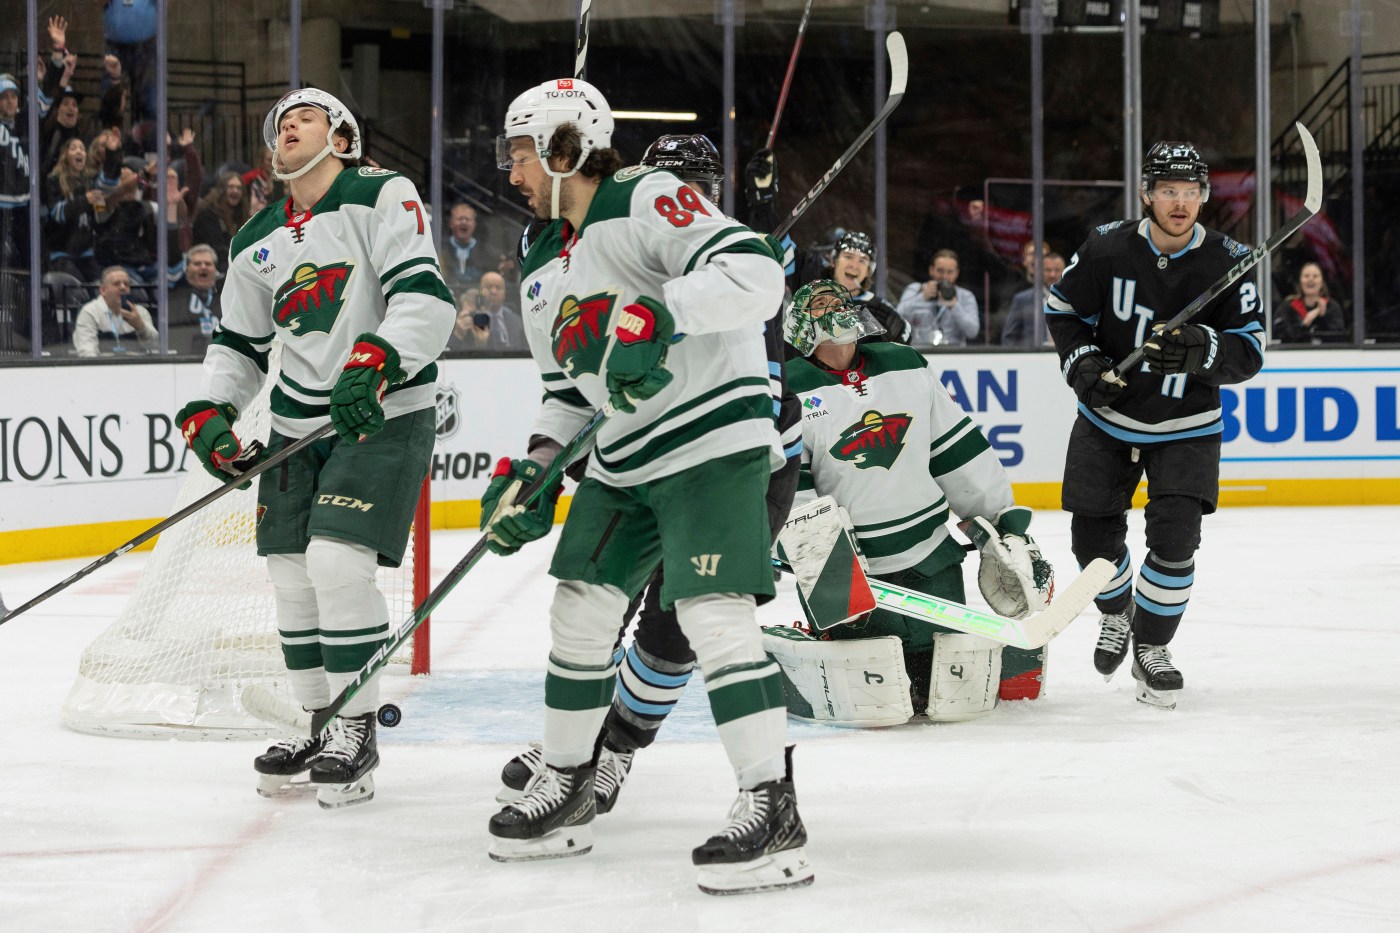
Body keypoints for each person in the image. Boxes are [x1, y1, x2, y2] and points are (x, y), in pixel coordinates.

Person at [485, 77, 811, 894]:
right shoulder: (540, 261)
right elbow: (566, 393)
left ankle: (770, 803)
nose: (511, 173)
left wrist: (659, 313)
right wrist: (536, 466)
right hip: (622, 456)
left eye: (521, 153)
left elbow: (754, 271)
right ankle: (568, 781)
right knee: (580, 608)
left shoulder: (643, 196)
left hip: (710, 439)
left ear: (565, 148)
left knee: (712, 614)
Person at [175, 87, 453, 808]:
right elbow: (239, 343)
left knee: (336, 561)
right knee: (291, 573)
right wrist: (211, 409)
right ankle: (319, 721)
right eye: (280, 122)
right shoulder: (255, 237)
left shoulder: (382, 194)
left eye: (307, 116)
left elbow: (426, 300)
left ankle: (355, 728)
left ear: (344, 138)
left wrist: (379, 359)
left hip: (381, 411)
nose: (288, 126)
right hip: (295, 424)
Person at [1045, 140, 1266, 710]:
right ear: (1146, 193)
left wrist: (1205, 349)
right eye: (1168, 190)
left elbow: (1250, 350)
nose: (1180, 202)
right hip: (1107, 419)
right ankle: (1117, 610)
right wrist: (1083, 362)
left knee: (1175, 542)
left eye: (1191, 191)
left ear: (1204, 197)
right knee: (1091, 539)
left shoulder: (1229, 261)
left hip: (1189, 424)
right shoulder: (1106, 247)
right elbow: (1063, 311)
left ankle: (1152, 647)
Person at [782, 279, 1053, 717]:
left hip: (930, 557)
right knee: (877, 689)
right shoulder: (787, 388)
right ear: (798, 327)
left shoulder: (903, 362)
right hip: (856, 573)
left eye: (839, 299)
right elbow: (789, 484)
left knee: (941, 679)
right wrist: (822, 563)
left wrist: (1004, 526)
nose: (833, 306)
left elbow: (955, 449)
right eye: (819, 304)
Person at [826, 230, 911, 344]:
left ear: (868, 271)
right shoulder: (812, 301)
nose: (854, 265)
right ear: (834, 261)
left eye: (862, 260)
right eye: (848, 256)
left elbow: (905, 347)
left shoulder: (884, 313)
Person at [44, 137, 103, 283]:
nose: (79, 151)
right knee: (78, 286)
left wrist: (103, 203)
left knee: (100, 285)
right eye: (73, 148)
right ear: (65, 155)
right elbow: (58, 214)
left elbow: (101, 215)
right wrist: (85, 200)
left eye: (82, 149)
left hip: (85, 252)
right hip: (60, 252)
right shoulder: (53, 180)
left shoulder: (91, 183)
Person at [895, 248, 981, 347]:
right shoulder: (915, 290)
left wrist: (954, 306)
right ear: (931, 270)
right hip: (921, 351)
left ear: (957, 273)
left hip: (954, 353)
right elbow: (897, 320)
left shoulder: (966, 296)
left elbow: (972, 332)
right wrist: (922, 297)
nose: (944, 277)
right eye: (940, 271)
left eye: (950, 272)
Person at [72, 265, 158, 356]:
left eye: (126, 284)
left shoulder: (140, 312)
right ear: (103, 290)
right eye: (116, 284)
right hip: (102, 363)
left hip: (136, 363)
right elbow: (86, 352)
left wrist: (141, 327)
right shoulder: (89, 312)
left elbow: (156, 347)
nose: (123, 287)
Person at [1000, 250, 1066, 347]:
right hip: (1033, 355)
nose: (1052, 274)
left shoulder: (1074, 299)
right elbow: (1009, 338)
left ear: (1064, 272)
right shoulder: (1022, 300)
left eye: (1057, 270)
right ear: (1040, 271)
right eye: (1048, 270)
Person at [166, 244, 222, 355]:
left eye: (208, 264)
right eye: (197, 264)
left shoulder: (226, 300)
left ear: (215, 270)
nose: (203, 267)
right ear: (187, 270)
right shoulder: (174, 300)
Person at [1273, 261, 1346, 344]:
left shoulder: (1332, 306)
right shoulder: (1287, 307)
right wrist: (1304, 324)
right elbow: (1281, 336)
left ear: (1322, 282)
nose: (1310, 279)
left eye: (1315, 276)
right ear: (1300, 281)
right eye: (1306, 276)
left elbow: (1339, 338)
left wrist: (1322, 317)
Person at [191, 171, 250, 272]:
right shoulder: (208, 216)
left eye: (239, 188)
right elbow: (217, 249)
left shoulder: (240, 216)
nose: (235, 191)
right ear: (221, 190)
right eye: (231, 187)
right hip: (210, 266)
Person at [438, 202, 497, 296]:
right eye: (459, 219)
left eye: (468, 219)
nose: (463, 222)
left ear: (474, 224)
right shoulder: (440, 249)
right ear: (451, 223)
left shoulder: (488, 252)